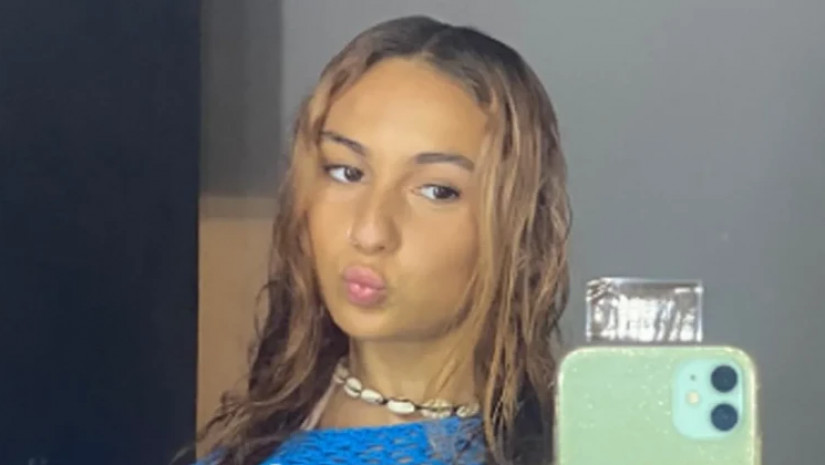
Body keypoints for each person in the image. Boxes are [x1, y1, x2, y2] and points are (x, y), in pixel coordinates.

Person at [199, 15, 570, 465]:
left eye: (437, 191)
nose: (370, 231)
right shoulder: (250, 446)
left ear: (518, 225)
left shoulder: (580, 450)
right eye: (346, 172)